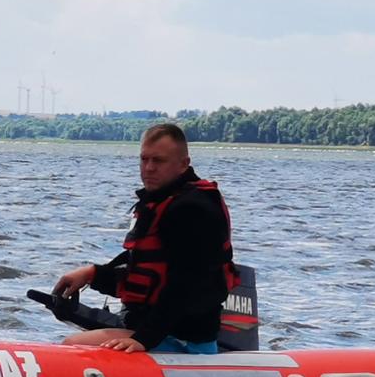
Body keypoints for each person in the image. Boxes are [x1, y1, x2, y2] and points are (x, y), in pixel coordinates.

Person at [52, 124, 238, 353]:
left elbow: (186, 285)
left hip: (185, 340)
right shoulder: (161, 201)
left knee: (73, 347)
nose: (148, 168)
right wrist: (93, 274)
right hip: (156, 330)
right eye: (144, 159)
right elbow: (144, 276)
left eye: (158, 161)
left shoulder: (193, 209)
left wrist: (144, 339)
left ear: (183, 165)